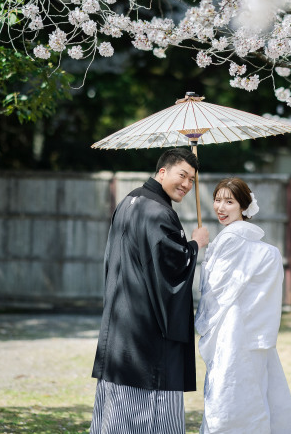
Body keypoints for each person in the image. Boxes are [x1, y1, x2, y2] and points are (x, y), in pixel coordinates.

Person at [90, 148, 210, 434]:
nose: (186, 185)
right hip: (147, 326)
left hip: (120, 317)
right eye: (182, 175)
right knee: (146, 409)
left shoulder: (131, 200)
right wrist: (195, 244)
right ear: (162, 172)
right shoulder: (159, 212)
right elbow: (171, 269)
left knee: (116, 403)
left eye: (192, 180)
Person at [195, 177, 291, 434]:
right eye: (217, 200)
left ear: (243, 206)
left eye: (229, 201)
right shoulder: (259, 247)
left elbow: (216, 288)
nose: (221, 207)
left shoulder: (232, 241)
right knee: (253, 389)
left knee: (228, 389)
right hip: (253, 331)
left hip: (232, 331)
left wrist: (201, 253)